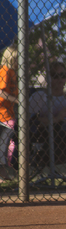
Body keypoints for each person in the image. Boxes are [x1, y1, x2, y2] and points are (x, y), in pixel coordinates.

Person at [0, 46, 18, 181]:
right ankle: (9, 165)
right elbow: (1, 92)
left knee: (8, 140)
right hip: (3, 113)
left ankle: (5, 170)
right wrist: (16, 100)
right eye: (16, 59)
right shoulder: (5, 71)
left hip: (9, 112)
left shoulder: (13, 72)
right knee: (8, 140)